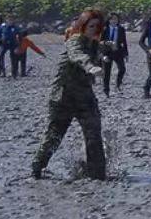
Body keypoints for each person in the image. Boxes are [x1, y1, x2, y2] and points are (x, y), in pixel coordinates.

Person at [32, 9, 113, 180]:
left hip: (84, 96)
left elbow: (98, 49)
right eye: (91, 26)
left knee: (94, 133)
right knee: (54, 134)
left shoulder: (93, 43)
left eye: (97, 27)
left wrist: (106, 49)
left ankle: (97, 173)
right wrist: (90, 67)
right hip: (64, 97)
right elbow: (78, 55)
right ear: (82, 26)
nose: (94, 30)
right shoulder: (74, 41)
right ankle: (37, 168)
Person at [100, 13, 130, 96]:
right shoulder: (104, 29)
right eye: (112, 19)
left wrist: (126, 54)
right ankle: (106, 90)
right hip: (107, 52)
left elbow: (124, 42)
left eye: (116, 19)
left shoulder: (121, 29)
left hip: (118, 52)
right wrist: (106, 43)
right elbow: (100, 41)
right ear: (109, 20)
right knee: (107, 72)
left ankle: (118, 84)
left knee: (122, 69)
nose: (114, 21)